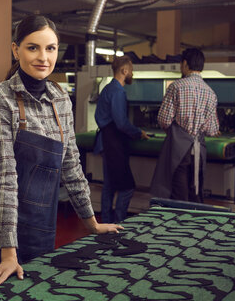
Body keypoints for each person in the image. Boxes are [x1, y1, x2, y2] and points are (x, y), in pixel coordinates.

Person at [0, 15, 123, 296]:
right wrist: (8, 253)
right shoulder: (0, 100)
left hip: (39, 224)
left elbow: (72, 165)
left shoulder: (60, 99)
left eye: (50, 48)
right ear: (16, 50)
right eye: (32, 48)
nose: (43, 57)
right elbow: (4, 177)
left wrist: (91, 223)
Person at [150, 48, 220, 202]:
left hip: (178, 150)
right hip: (198, 152)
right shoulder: (211, 93)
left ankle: (177, 225)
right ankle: (193, 225)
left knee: (178, 195)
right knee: (194, 193)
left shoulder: (176, 87)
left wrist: (176, 133)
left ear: (185, 64)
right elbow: (212, 129)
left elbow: (164, 119)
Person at [94, 56, 149, 223]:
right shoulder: (118, 92)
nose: (132, 73)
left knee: (109, 187)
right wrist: (139, 133)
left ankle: (106, 223)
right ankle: (119, 223)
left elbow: (100, 117)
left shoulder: (107, 88)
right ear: (124, 71)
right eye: (131, 70)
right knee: (127, 187)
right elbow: (122, 123)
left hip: (105, 142)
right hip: (114, 145)